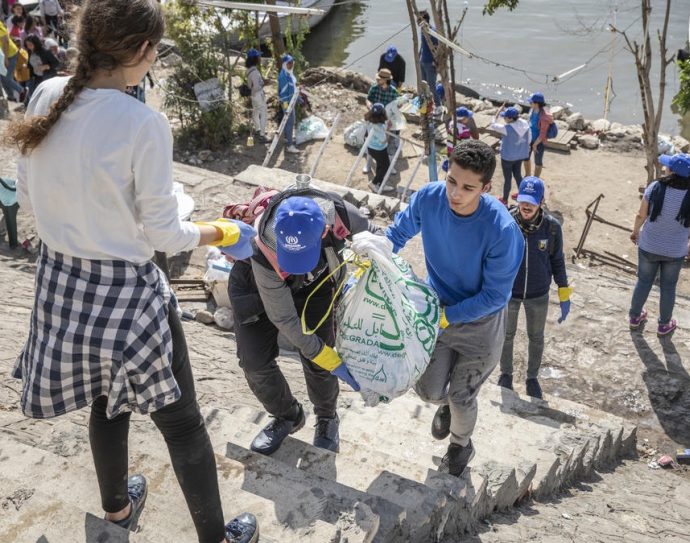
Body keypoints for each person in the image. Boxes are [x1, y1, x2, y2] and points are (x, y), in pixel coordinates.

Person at [5, 0, 260, 541]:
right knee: (183, 424)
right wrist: (223, 232)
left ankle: (117, 512)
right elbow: (166, 236)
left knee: (107, 401)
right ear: (142, 50)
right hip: (126, 295)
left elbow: (29, 195)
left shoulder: (47, 94)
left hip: (61, 284)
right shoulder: (144, 123)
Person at [385, 139, 525, 477]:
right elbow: (397, 235)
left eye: (467, 188)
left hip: (481, 324)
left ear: (486, 188)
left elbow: (495, 296)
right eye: (451, 181)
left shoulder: (503, 231)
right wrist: (375, 259)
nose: (455, 193)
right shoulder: (428, 198)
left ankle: (460, 446)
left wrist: (448, 317)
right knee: (428, 390)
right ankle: (445, 405)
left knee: (463, 396)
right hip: (437, 310)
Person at [223, 187, 379, 457]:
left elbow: (377, 235)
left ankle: (327, 416)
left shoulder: (340, 214)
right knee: (254, 362)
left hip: (315, 287)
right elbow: (284, 317)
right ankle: (288, 415)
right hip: (257, 287)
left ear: (324, 231)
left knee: (318, 363)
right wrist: (327, 357)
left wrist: (377, 254)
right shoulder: (263, 246)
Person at [496, 176, 569, 399]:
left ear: (542, 202)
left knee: (536, 337)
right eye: (523, 200)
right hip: (509, 293)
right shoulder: (506, 222)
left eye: (532, 201)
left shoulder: (552, 228)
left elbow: (558, 260)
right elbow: (492, 254)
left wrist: (563, 291)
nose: (526, 206)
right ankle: (505, 374)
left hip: (538, 294)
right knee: (506, 335)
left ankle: (532, 378)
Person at [628, 153, 690, 336]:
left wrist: (636, 231)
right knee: (668, 287)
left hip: (649, 245)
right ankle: (663, 325)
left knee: (643, 282)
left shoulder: (655, 187)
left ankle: (635, 317)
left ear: (671, 171)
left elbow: (641, 215)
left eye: (667, 166)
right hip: (675, 251)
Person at [490, 105, 530, 202]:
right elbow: (529, 140)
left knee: (508, 178)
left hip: (507, 157)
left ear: (511, 119)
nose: (504, 118)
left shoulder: (506, 129)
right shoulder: (525, 124)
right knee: (518, 175)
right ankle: (522, 195)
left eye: (505, 117)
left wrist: (498, 111)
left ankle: (504, 199)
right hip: (520, 155)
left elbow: (493, 125)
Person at [365, 67, 400, 164]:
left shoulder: (393, 91)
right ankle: (369, 163)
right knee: (370, 139)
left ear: (385, 80)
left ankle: (390, 165)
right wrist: (369, 105)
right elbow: (368, 98)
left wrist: (398, 105)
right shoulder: (375, 87)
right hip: (375, 117)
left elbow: (397, 105)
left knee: (390, 141)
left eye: (379, 79)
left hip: (388, 118)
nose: (377, 80)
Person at [365, 102, 393, 193]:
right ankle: (373, 183)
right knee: (385, 166)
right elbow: (385, 140)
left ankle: (380, 184)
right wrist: (388, 128)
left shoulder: (369, 120)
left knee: (380, 165)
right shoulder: (378, 127)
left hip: (371, 147)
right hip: (379, 149)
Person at [524, 92, 553, 178]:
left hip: (539, 142)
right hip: (530, 138)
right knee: (525, 157)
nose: (529, 103)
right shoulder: (532, 110)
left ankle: (536, 179)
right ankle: (527, 175)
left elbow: (543, 134)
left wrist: (535, 145)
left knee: (538, 161)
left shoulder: (544, 117)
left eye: (531, 102)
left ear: (536, 104)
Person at [245, 48, 270, 143]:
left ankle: (257, 130)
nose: (260, 58)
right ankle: (262, 135)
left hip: (252, 95)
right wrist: (264, 84)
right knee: (264, 112)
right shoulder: (255, 72)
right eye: (258, 56)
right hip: (258, 94)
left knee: (255, 111)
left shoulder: (249, 70)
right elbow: (256, 87)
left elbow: (251, 85)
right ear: (255, 58)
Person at [23, 34, 57, 103]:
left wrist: (46, 66)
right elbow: (31, 62)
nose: (29, 47)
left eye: (30, 45)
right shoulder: (30, 51)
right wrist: (27, 65)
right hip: (36, 77)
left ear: (35, 44)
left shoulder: (45, 51)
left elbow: (56, 62)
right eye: (27, 45)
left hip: (47, 77)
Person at [277, 53, 299, 154]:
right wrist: (286, 107)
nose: (291, 65)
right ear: (284, 64)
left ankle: (287, 138)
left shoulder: (288, 73)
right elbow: (283, 94)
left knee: (288, 122)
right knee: (290, 121)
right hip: (287, 103)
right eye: (289, 63)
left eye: (292, 63)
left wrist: (296, 96)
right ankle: (290, 146)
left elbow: (292, 88)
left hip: (291, 101)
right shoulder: (284, 77)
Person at [417, 11, 439, 104]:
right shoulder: (423, 30)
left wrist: (437, 64)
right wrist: (419, 55)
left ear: (425, 20)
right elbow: (423, 44)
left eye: (419, 19)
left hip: (430, 63)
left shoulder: (432, 31)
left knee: (432, 86)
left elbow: (437, 47)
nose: (417, 21)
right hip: (422, 61)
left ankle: (438, 104)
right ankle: (425, 103)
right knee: (423, 84)